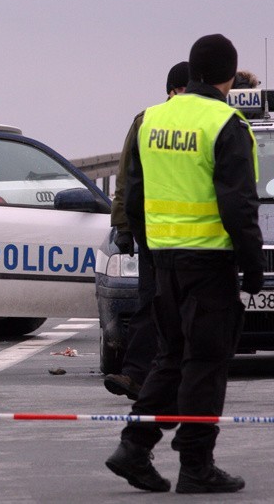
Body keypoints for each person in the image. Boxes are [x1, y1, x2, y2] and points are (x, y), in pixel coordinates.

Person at [105, 34, 264, 494]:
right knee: (207, 362)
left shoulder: (153, 119)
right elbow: (239, 206)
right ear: (229, 75)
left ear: (192, 70)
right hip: (210, 262)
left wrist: (150, 251)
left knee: (171, 356)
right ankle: (196, 464)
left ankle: (134, 446)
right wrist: (252, 267)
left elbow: (132, 196)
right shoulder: (226, 123)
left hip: (164, 263)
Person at [104, 61, 190, 400]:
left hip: (185, 234)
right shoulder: (148, 121)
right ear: (171, 90)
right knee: (151, 303)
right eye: (181, 89)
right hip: (158, 233)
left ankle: (153, 376)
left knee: (173, 306)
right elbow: (127, 177)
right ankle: (136, 374)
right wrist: (123, 226)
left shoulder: (203, 123)